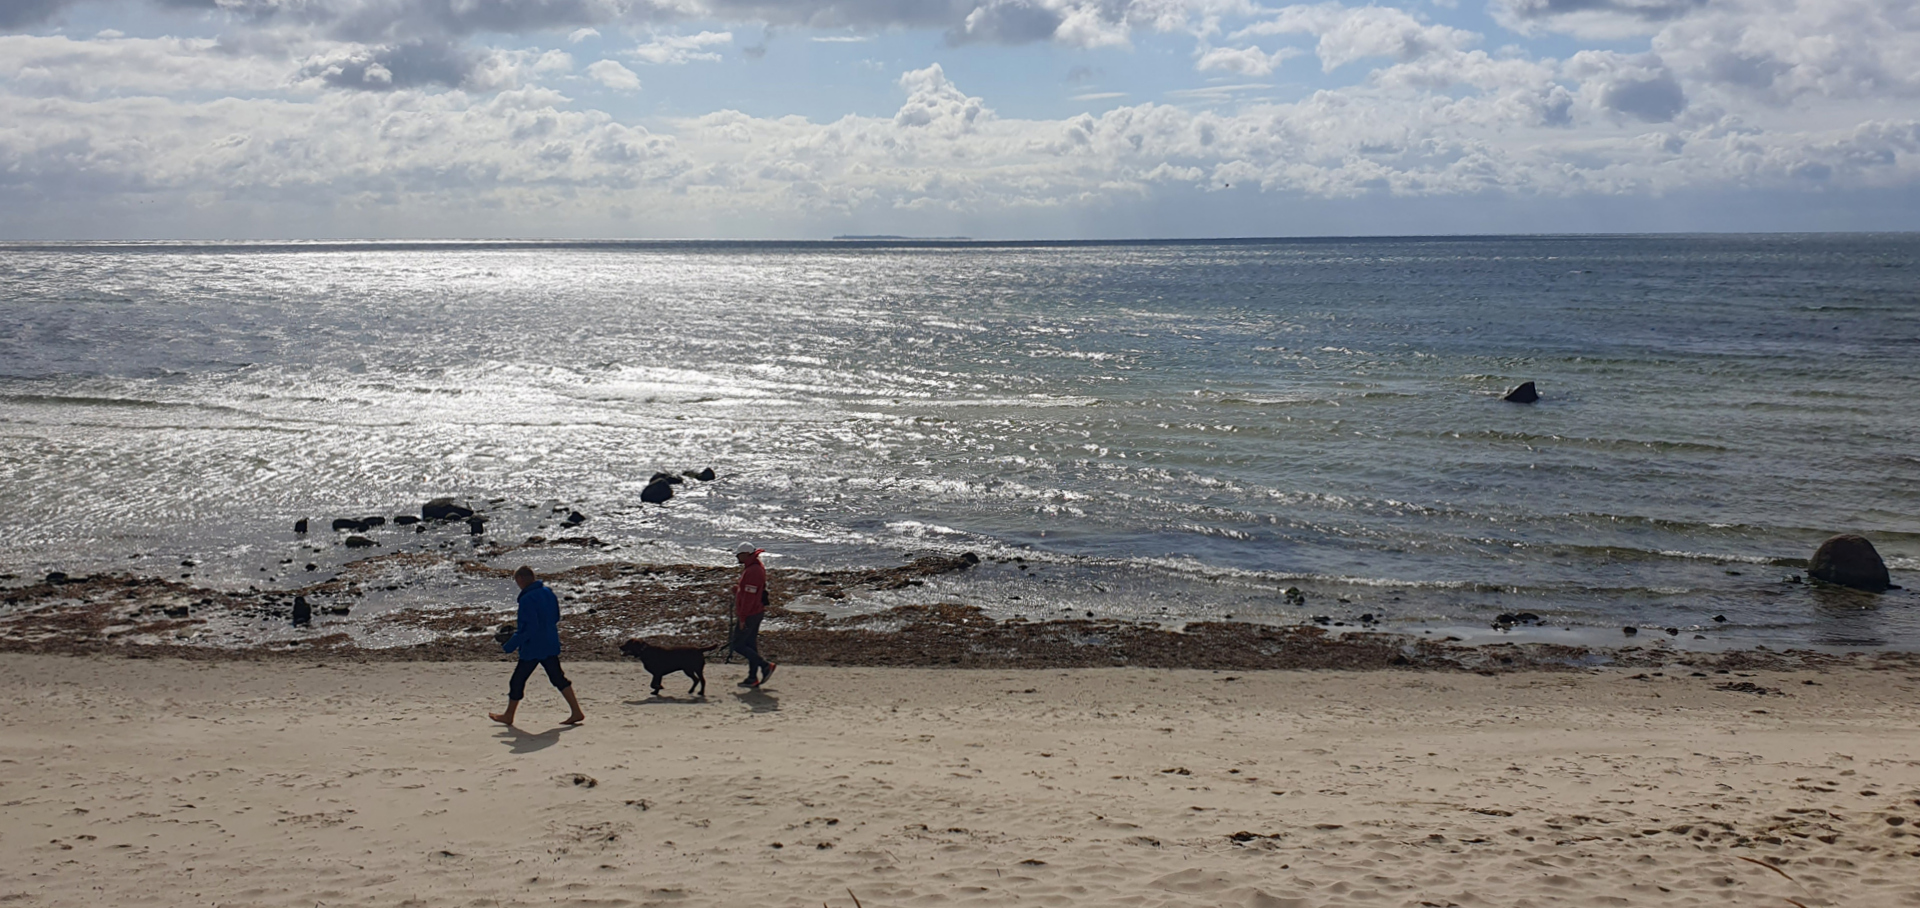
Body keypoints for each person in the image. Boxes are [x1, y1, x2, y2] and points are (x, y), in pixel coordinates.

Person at [490, 566, 585, 727]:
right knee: (557, 678)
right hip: (550, 642)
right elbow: (555, 617)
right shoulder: (548, 592)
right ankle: (576, 711)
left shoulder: (527, 599)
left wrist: (510, 645)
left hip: (533, 648)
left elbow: (529, 628)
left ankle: (508, 716)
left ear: (521, 579)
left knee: (517, 681)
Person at [729, 542, 777, 687]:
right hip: (755, 612)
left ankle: (765, 665)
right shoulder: (754, 568)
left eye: (739, 554)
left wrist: (743, 618)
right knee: (750, 645)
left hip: (750, 613)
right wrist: (738, 590)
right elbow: (750, 592)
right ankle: (752, 678)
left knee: (738, 645)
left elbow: (750, 598)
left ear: (746, 555)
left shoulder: (753, 571)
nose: (737, 557)